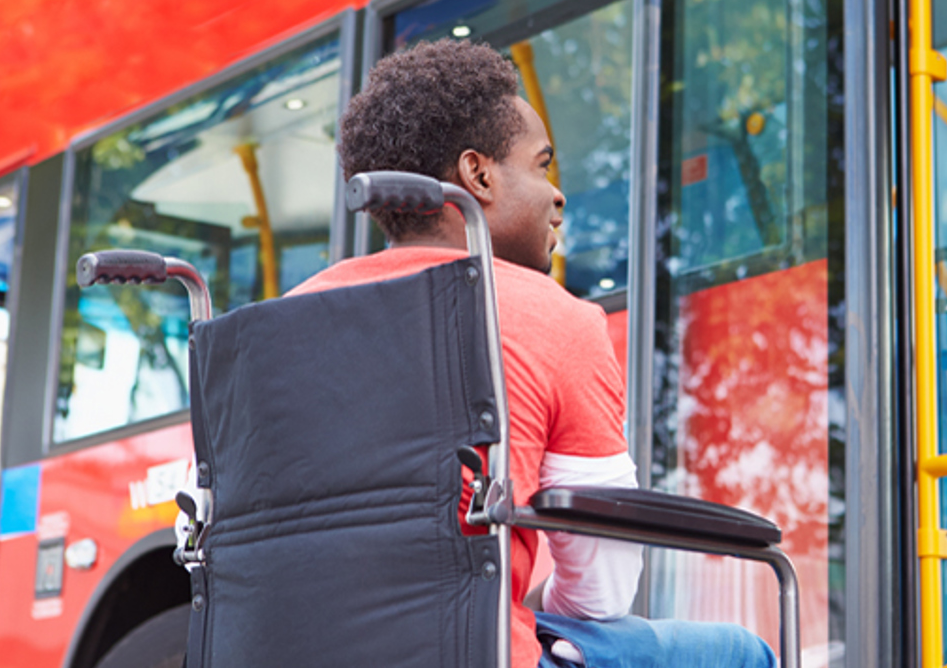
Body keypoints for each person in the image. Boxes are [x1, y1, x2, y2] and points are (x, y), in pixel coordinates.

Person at [290, 39, 776, 668]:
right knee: (743, 652)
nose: (558, 195)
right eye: (542, 167)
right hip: (473, 656)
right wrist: (535, 607)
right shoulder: (551, 315)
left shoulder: (283, 320)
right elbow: (602, 591)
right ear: (479, 176)